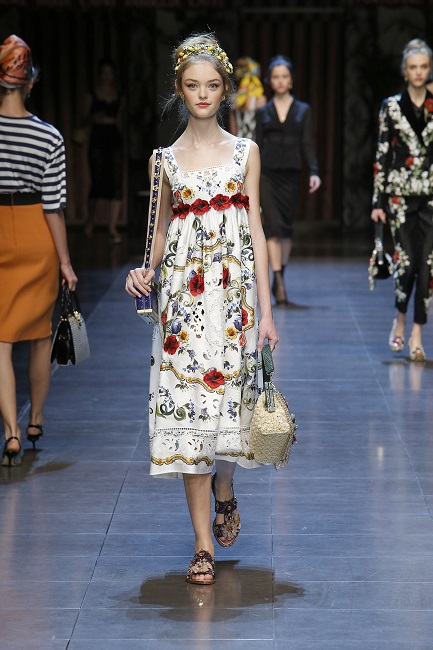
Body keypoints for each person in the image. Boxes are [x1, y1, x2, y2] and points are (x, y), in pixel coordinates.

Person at [125, 33, 279, 585]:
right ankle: (201, 543)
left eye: (212, 85)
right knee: (191, 410)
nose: (203, 94)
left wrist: (267, 312)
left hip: (234, 302)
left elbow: (256, 229)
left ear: (226, 89)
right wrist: (143, 271)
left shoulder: (246, 153)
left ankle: (226, 486)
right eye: (193, 85)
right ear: (179, 89)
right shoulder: (163, 161)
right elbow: (159, 231)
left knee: (229, 409)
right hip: (183, 306)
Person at [0, 35, 77, 466]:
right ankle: (36, 420)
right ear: (30, 81)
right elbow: (53, 205)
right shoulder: (48, 136)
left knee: (0, 339)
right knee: (39, 335)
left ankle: (10, 431)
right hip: (36, 236)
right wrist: (65, 262)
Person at [371, 38, 433, 362]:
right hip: (399, 196)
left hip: (431, 195)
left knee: (428, 265)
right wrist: (377, 202)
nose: (418, 72)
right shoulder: (391, 106)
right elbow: (383, 153)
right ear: (405, 71)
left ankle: (417, 331)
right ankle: (399, 318)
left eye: (424, 67)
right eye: (413, 67)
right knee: (407, 263)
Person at [255, 55, 321, 306]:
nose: (281, 81)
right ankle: (279, 281)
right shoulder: (263, 111)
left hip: (292, 173)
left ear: (291, 80)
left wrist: (314, 171)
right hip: (267, 174)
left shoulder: (303, 110)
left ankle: (280, 274)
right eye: (276, 77)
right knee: (273, 227)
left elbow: (308, 143)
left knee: (286, 227)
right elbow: (256, 145)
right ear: (270, 81)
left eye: (285, 76)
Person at [81, 59, 125, 244]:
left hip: (114, 138)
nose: (107, 77)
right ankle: (90, 221)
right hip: (97, 139)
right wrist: (94, 117)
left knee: (116, 182)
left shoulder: (119, 95)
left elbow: (121, 120)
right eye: (104, 73)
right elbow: (83, 119)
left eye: (110, 73)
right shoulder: (92, 94)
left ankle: (112, 227)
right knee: (97, 181)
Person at [229, 56, 266, 139]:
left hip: (238, 142)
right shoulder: (260, 99)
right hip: (255, 142)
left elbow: (233, 130)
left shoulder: (234, 99)